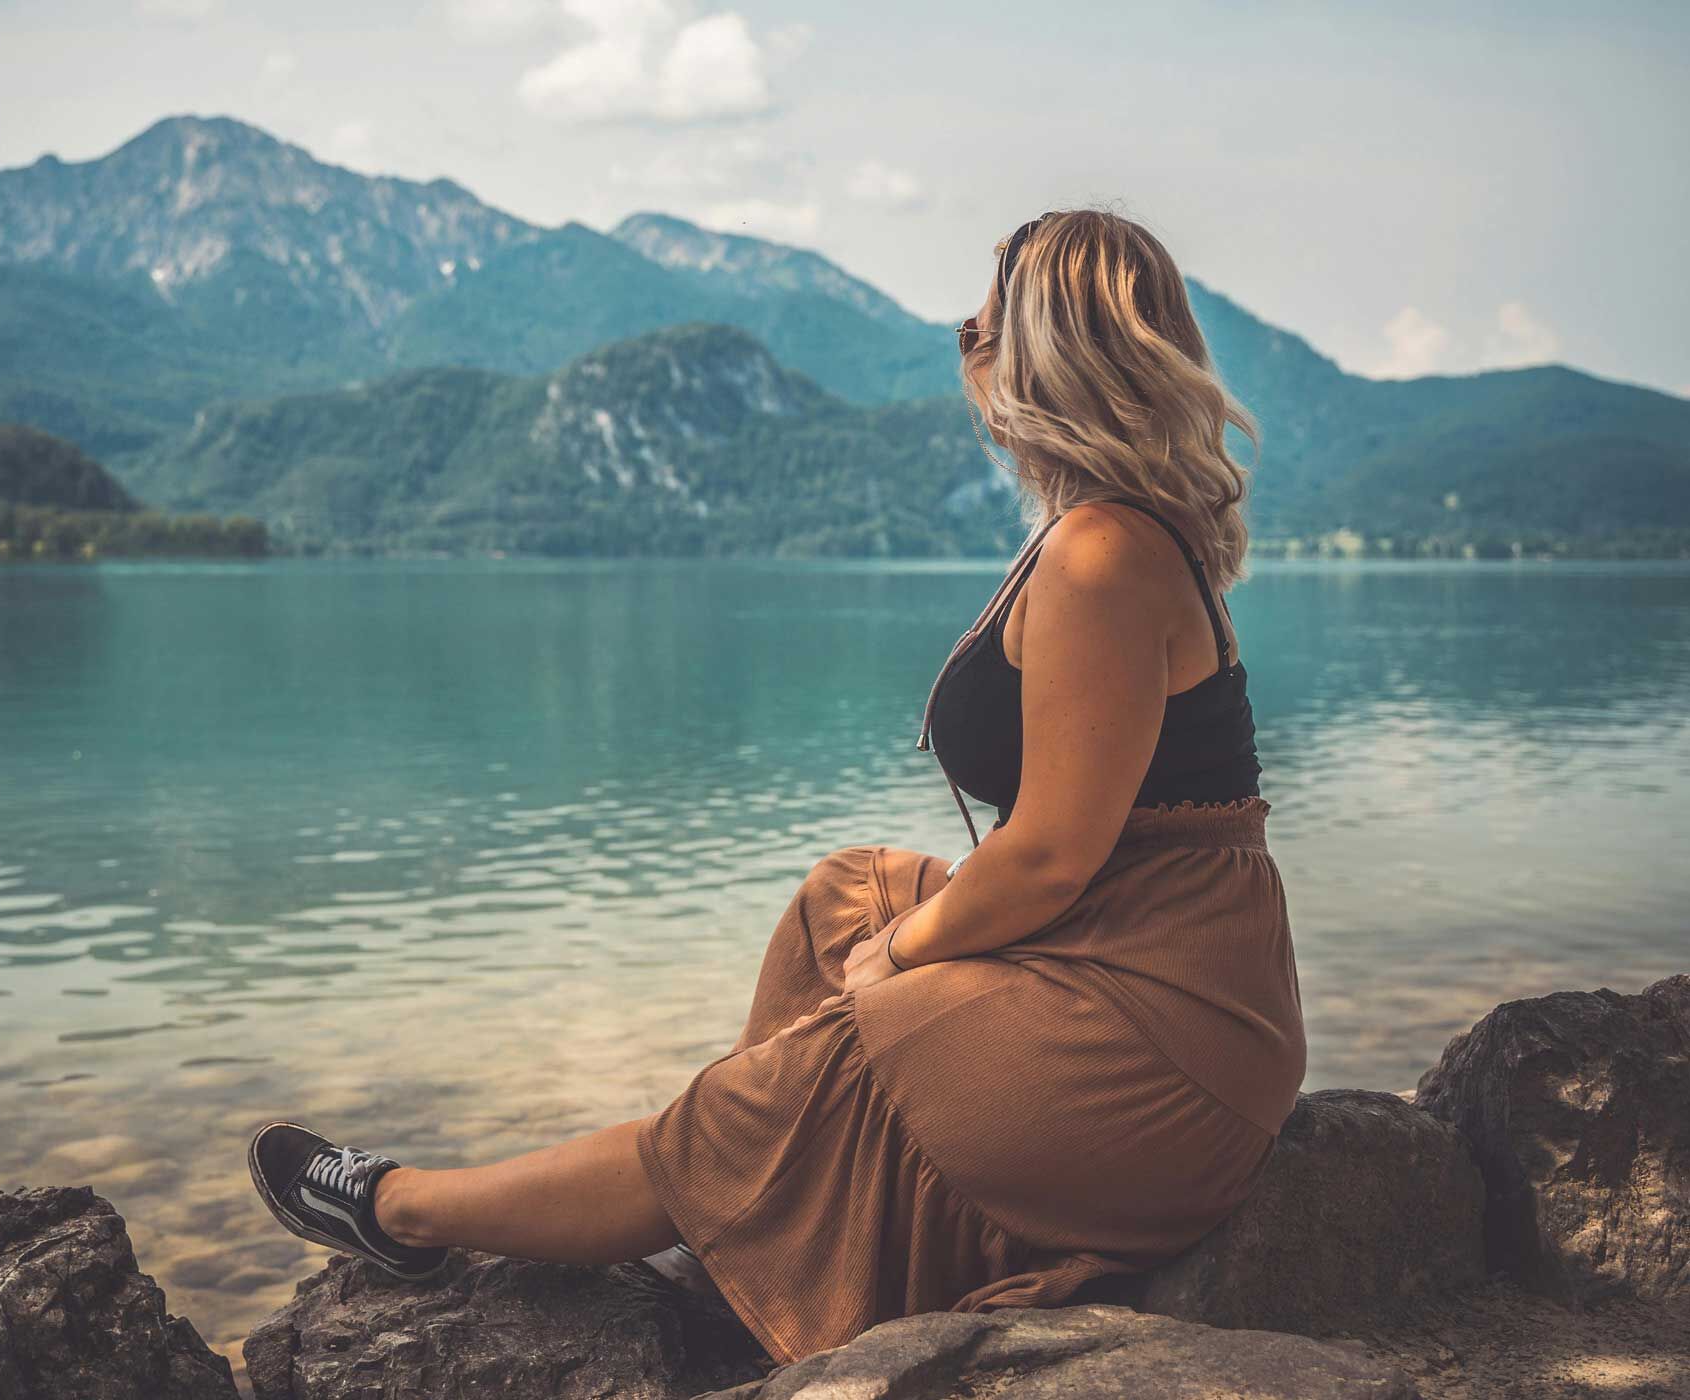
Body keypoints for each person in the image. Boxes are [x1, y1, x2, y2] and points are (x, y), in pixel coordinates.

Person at [246, 208, 1308, 1368]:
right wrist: (886, 935)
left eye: (980, 328)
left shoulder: (1104, 553)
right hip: (1142, 951)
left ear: (1047, 356)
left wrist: (902, 958)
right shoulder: (1105, 533)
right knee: (842, 896)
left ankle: (402, 1207)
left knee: (829, 1029)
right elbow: (1071, 853)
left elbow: (1050, 854)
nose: (968, 353)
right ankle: (743, 1217)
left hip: (1165, 1029)